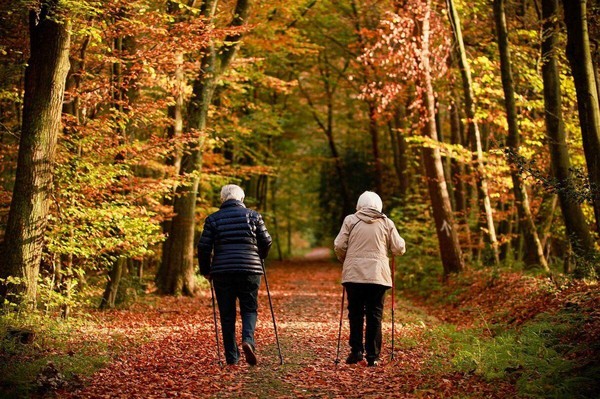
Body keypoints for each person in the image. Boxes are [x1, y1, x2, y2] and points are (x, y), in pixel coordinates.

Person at [198, 184, 272, 366]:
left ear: (223, 199)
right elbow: (267, 240)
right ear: (242, 199)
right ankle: (248, 340)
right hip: (250, 270)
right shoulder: (254, 216)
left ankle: (232, 357)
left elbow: (203, 247)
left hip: (222, 271)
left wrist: (205, 270)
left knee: (227, 314)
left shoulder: (213, 219)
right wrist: (259, 256)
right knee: (249, 308)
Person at [334, 191, 406, 367]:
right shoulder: (387, 223)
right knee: (375, 315)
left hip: (354, 275)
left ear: (359, 205)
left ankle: (356, 351)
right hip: (378, 277)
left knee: (356, 313)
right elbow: (399, 248)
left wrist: (346, 260)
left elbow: (339, 245)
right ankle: (373, 356)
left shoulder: (350, 220)